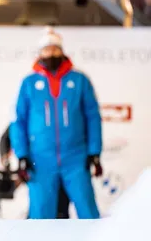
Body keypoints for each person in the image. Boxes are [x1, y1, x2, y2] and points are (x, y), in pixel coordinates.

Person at [9, 27, 103, 219]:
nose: (51, 53)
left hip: (76, 157)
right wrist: (22, 154)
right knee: (40, 214)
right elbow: (19, 121)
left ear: (62, 51)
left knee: (88, 211)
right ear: (40, 53)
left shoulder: (79, 80)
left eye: (54, 49)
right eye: (46, 49)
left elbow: (92, 116)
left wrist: (94, 151)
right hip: (40, 159)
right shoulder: (29, 83)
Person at [0, 126, 71, 219]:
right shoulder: (31, 117)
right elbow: (7, 137)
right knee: (39, 207)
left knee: (60, 207)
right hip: (35, 171)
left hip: (60, 171)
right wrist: (5, 159)